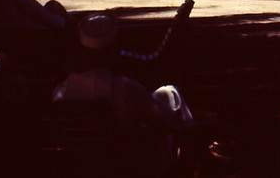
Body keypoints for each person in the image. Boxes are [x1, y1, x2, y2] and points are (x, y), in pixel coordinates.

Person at [51, 12, 193, 176]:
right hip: (126, 166)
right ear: (112, 51)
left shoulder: (61, 92)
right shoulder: (122, 89)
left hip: (78, 168)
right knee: (171, 96)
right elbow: (166, 120)